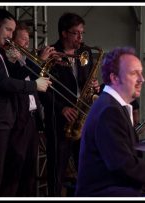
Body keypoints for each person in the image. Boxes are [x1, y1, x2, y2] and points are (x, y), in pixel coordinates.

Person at [75, 47, 145, 197]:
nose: (142, 79)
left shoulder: (111, 105)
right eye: (134, 73)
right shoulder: (109, 110)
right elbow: (121, 163)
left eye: (141, 72)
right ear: (114, 78)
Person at [0, 9, 51, 197]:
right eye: (8, 30)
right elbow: (5, 82)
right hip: (0, 119)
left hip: (12, 118)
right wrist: (34, 83)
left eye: (13, 33)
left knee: (23, 169)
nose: (10, 36)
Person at [39, 12, 99, 197]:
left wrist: (94, 86)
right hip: (60, 120)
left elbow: (87, 79)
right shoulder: (49, 53)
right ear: (64, 33)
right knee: (57, 170)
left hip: (82, 117)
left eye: (82, 33)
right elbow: (41, 88)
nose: (81, 38)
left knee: (85, 167)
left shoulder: (85, 52)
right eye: (76, 33)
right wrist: (61, 108)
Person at [0, 23, 56, 196]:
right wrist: (41, 61)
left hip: (32, 118)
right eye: (23, 39)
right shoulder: (9, 56)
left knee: (31, 168)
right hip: (18, 119)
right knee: (16, 167)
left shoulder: (24, 58)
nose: (26, 44)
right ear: (13, 40)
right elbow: (19, 76)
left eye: (27, 39)